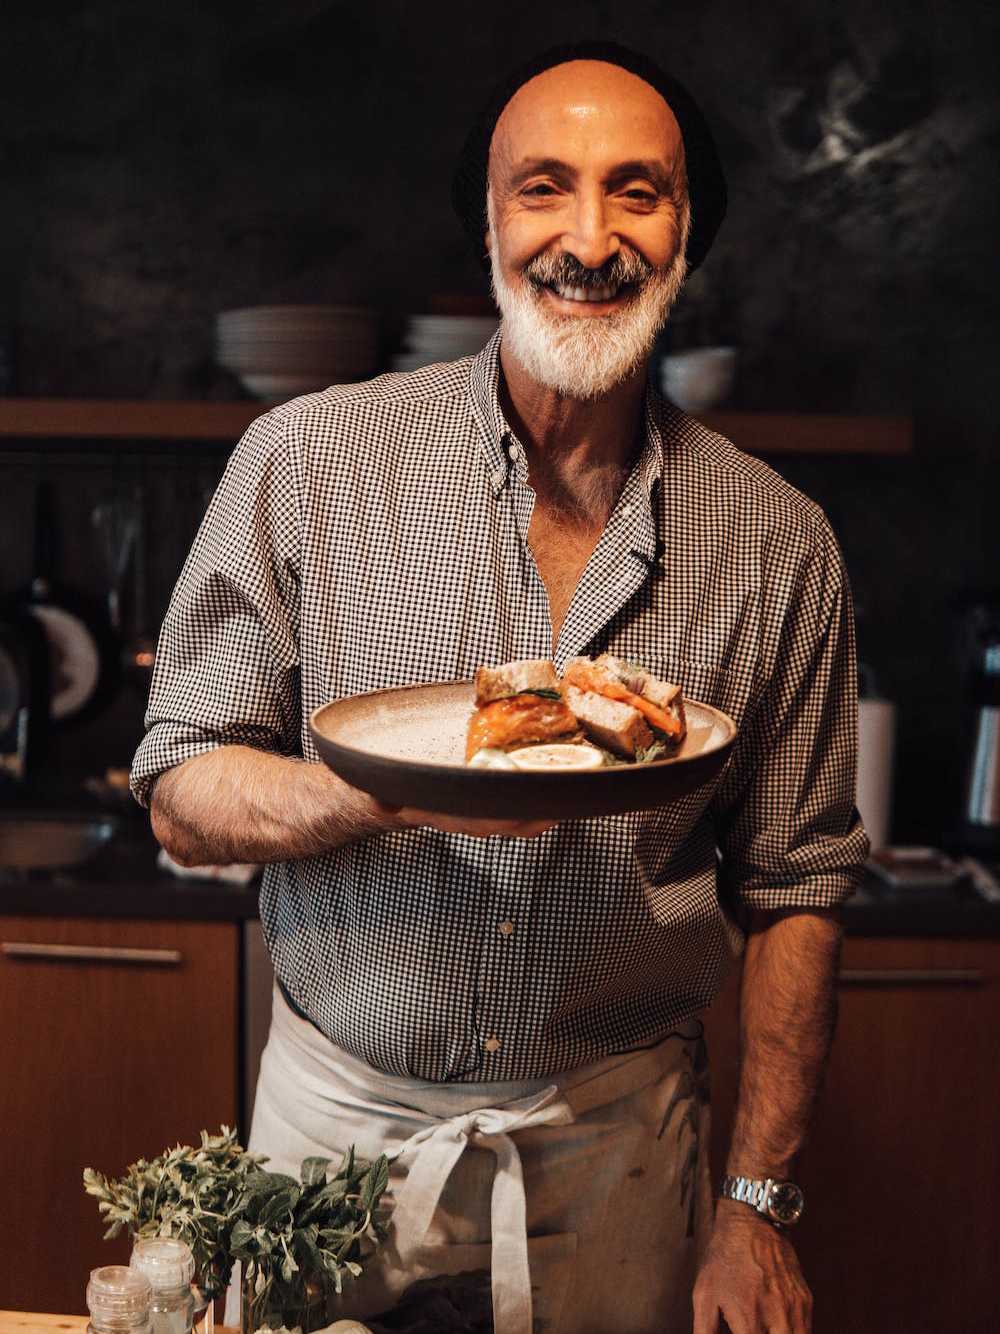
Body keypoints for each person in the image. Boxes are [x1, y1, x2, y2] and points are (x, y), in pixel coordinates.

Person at [133, 39, 868, 1334]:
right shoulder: (308, 460)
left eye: (637, 190)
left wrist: (755, 1203)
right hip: (334, 1143)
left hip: (618, 1155)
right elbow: (184, 790)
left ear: (686, 228)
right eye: (545, 187)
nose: (589, 236)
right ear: (488, 222)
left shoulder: (781, 539)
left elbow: (799, 885)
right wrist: (391, 800)